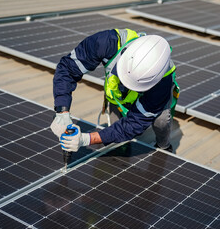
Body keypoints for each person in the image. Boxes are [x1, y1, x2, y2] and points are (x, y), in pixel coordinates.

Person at [51, 28, 179, 153]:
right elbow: (68, 69)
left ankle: (164, 146)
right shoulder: (106, 42)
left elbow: (135, 123)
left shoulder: (162, 82)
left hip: (153, 98)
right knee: (116, 134)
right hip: (117, 97)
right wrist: (62, 111)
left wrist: (87, 139)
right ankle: (123, 146)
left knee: (161, 121)